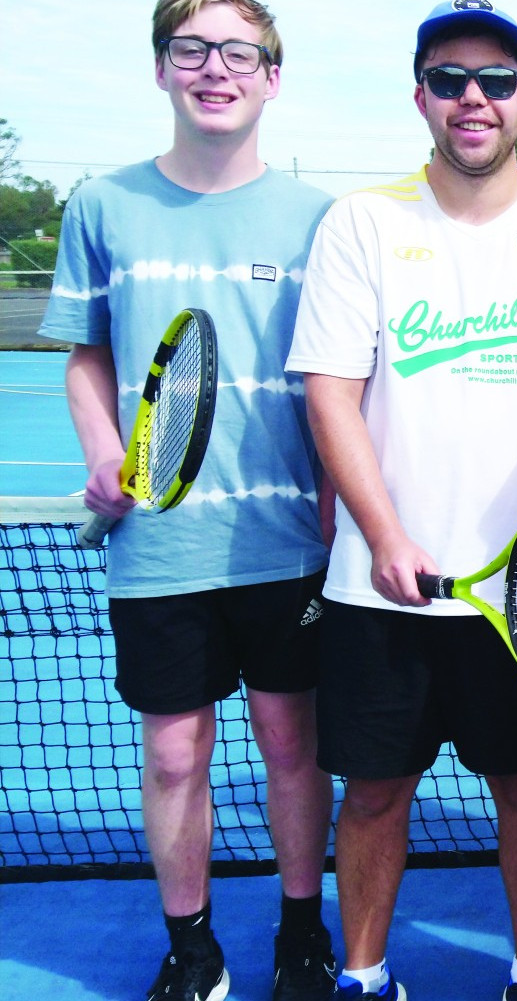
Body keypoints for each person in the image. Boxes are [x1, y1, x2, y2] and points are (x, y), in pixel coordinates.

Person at [284, 3, 517, 1000]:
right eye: (449, 79)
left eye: (492, 79)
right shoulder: (362, 223)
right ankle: (362, 974)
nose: (471, 97)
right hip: (382, 590)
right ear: (421, 97)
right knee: (373, 793)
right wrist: (386, 535)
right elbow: (330, 393)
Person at [39, 3, 336, 1001]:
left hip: (285, 541)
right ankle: (193, 948)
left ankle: (301, 935)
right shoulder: (100, 205)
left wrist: (340, 514)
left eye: (239, 53)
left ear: (271, 77)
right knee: (173, 755)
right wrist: (103, 452)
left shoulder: (316, 219)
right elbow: (86, 354)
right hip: (158, 547)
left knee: (292, 747)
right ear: (164, 69)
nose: (217, 69)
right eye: (193, 50)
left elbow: (337, 378)